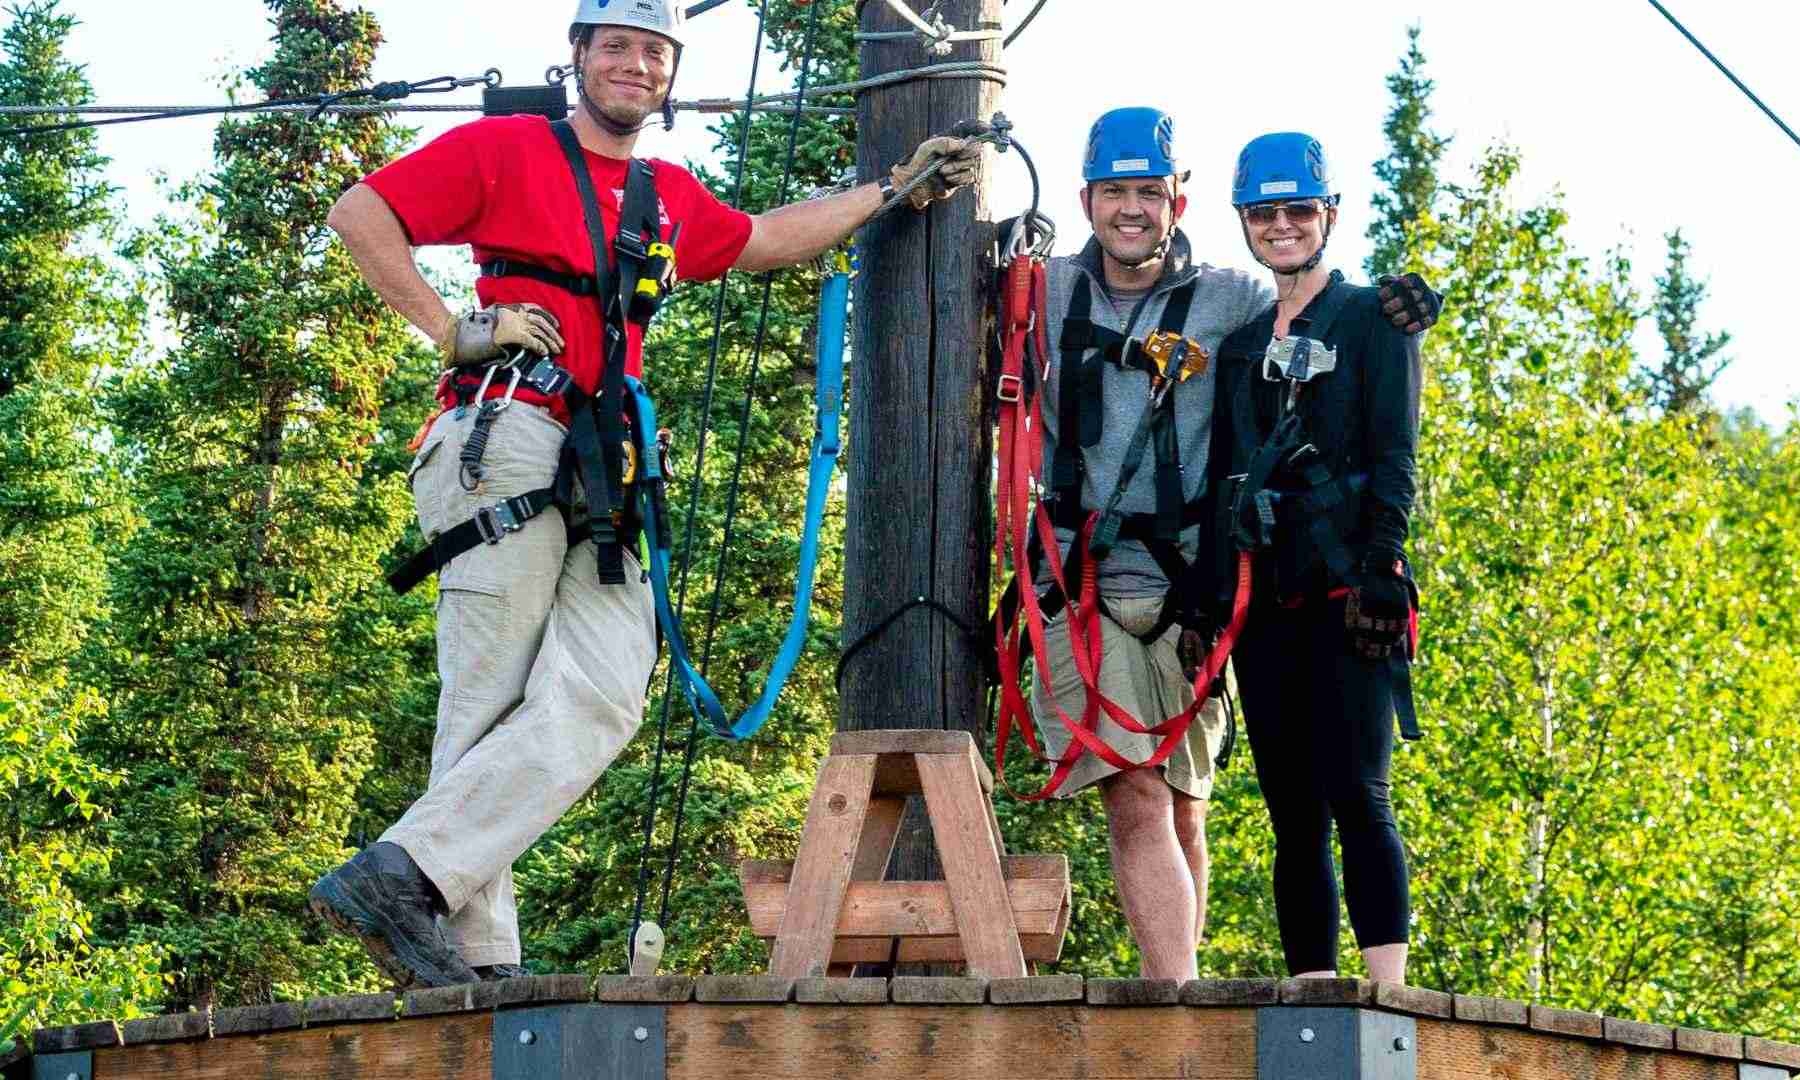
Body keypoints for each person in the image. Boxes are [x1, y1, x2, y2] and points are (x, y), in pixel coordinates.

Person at [308, 0, 982, 988]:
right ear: (578, 57)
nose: (636, 66)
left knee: (607, 688)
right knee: (490, 695)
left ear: (670, 75)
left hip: (603, 460)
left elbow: (765, 238)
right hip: (508, 431)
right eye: (616, 46)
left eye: (655, 53)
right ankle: (474, 953)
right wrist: (452, 327)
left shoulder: (663, 195)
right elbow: (361, 214)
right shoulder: (506, 150)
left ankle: (404, 875)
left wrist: (892, 189)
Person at [1007, 109, 1435, 981]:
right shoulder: (1039, 289)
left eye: (1150, 193)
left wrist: (1409, 306)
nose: (1132, 210)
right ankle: (1183, 1004)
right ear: (1086, 198)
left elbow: (1373, 405)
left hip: (1208, 590)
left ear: (1183, 201)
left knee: (1203, 805)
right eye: (1115, 192)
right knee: (1150, 795)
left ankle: (1328, 995)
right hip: (1092, 576)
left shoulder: (1235, 304)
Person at [1206, 132, 1425, 984]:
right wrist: (1210, 599)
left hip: (1352, 592)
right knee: (1292, 817)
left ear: (1329, 215)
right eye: (1266, 213)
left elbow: (1395, 450)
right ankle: (1313, 996)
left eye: (1300, 210)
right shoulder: (1242, 345)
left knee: (1359, 796)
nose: (1284, 226)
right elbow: (1225, 472)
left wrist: (1384, 563)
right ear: (1246, 223)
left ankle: (1388, 999)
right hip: (1268, 609)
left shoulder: (1377, 318)